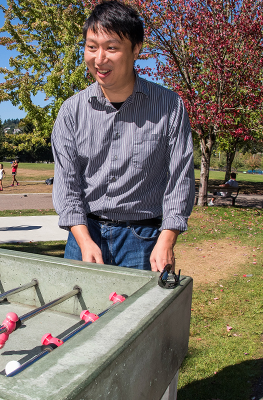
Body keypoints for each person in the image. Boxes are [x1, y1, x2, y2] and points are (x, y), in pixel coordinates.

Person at [51, 1, 194, 272]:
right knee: (79, 314)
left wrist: (167, 237)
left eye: (112, 48)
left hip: (144, 239)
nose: (99, 58)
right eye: (92, 47)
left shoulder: (169, 106)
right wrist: (83, 239)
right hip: (84, 233)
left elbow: (181, 178)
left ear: (136, 49)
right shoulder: (72, 110)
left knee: (139, 314)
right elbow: (67, 185)